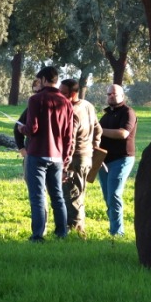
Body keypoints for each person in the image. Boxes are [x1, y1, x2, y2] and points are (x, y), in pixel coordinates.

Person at [17, 66, 74, 242]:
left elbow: (32, 128)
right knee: (57, 195)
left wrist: (22, 128)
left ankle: (38, 235)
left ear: (43, 79)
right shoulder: (66, 102)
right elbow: (69, 134)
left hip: (37, 153)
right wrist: (66, 158)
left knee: (38, 196)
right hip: (57, 156)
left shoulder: (35, 99)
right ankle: (61, 232)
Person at [59, 78, 102, 235]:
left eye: (63, 93)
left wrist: (64, 166)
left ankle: (76, 233)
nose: (60, 96)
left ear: (73, 93)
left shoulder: (72, 112)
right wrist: (94, 149)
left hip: (75, 160)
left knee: (72, 197)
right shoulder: (88, 105)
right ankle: (75, 229)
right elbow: (98, 129)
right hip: (87, 158)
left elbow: (70, 142)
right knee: (78, 195)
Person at [98, 84, 137, 237]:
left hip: (122, 159)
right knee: (108, 196)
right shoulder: (106, 115)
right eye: (108, 94)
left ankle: (118, 232)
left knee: (114, 194)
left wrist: (99, 130)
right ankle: (113, 228)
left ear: (122, 95)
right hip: (103, 161)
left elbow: (123, 134)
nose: (111, 96)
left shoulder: (128, 112)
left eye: (114, 94)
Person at [13, 78, 42, 179]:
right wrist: (21, 148)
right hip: (32, 151)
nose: (36, 95)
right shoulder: (31, 107)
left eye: (38, 91)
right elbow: (18, 126)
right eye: (35, 91)